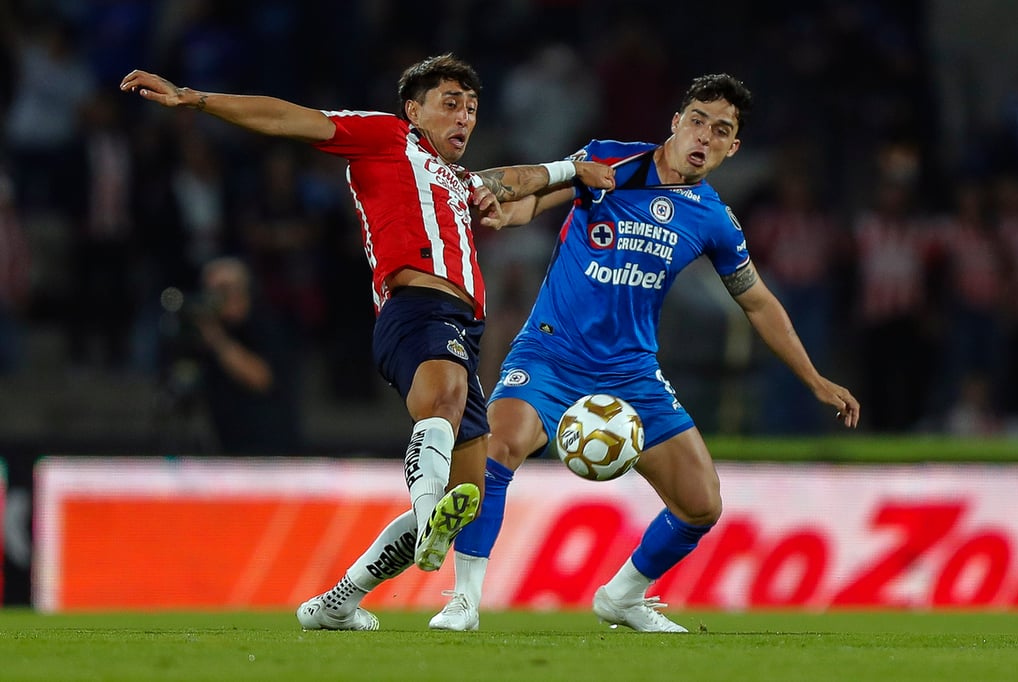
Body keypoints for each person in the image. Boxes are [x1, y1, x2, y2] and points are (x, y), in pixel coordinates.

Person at [121, 54, 615, 630]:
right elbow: (288, 118)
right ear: (414, 108)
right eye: (450, 103)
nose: (464, 117)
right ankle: (430, 513)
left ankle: (338, 601)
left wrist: (573, 168)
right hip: (416, 308)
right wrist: (193, 98)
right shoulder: (386, 136)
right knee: (445, 399)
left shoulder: (458, 183)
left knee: (471, 495)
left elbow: (518, 179)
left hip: (461, 327)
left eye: (473, 109)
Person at [429, 73, 861, 633]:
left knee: (702, 504)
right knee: (498, 448)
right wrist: (500, 207)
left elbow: (758, 303)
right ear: (676, 123)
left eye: (721, 130)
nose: (704, 136)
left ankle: (622, 597)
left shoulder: (713, 220)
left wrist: (815, 379)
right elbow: (532, 204)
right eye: (698, 120)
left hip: (632, 374)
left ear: (733, 148)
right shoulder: (613, 163)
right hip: (550, 355)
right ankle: (463, 600)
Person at [187, 256, 304, 454]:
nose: (215, 296)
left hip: (269, 450)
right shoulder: (208, 330)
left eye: (223, 288)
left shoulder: (268, 324)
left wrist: (217, 339)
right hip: (226, 446)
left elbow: (261, 378)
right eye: (210, 289)